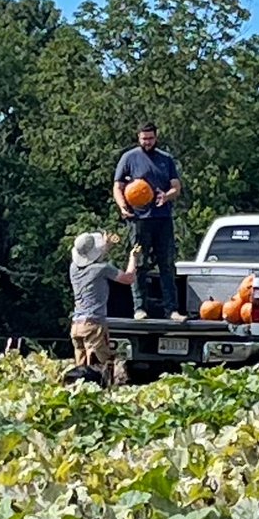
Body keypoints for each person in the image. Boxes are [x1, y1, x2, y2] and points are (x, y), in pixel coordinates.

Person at [112, 121, 184, 319]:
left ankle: (172, 310)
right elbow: (117, 187)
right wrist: (122, 207)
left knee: (166, 264)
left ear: (156, 137)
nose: (148, 142)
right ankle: (139, 308)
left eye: (151, 138)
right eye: (144, 139)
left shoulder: (166, 159)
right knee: (139, 263)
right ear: (139, 138)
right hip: (138, 219)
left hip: (162, 218)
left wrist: (166, 196)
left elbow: (176, 187)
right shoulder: (129, 158)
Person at [67, 231, 126, 385]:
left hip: (76, 325)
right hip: (93, 324)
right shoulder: (102, 269)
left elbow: (92, 263)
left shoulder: (73, 268)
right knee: (103, 365)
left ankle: (81, 395)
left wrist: (107, 246)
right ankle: (105, 392)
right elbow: (128, 278)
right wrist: (133, 258)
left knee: (82, 369)